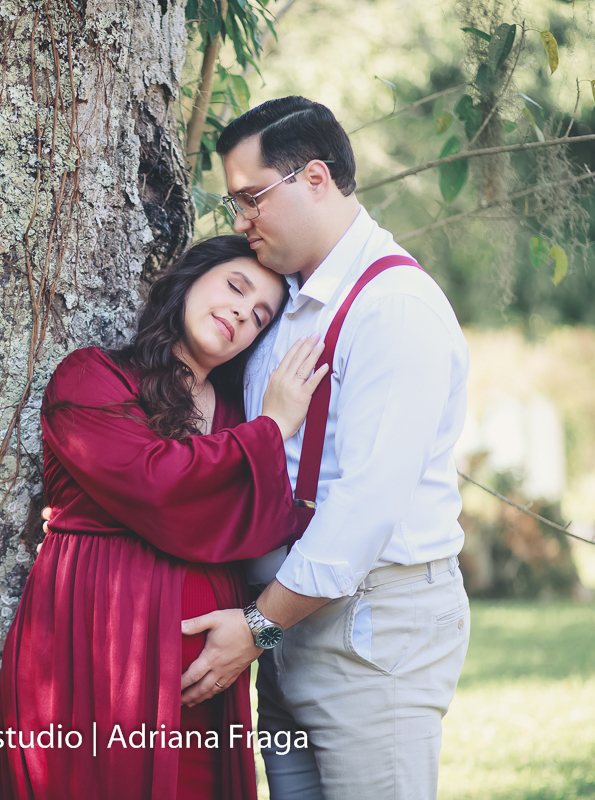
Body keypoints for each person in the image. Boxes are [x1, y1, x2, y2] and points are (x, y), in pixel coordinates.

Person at [177, 97, 471, 800]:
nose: (240, 219)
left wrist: (257, 627)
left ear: (314, 178)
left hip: (371, 626)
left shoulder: (394, 308)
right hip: (287, 621)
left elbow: (365, 507)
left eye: (251, 197)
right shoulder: (284, 301)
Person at [0, 235, 330, 800]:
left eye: (259, 317)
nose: (241, 314)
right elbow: (160, 486)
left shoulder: (236, 415)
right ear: (189, 279)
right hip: (96, 651)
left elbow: (270, 529)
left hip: (206, 678)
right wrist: (272, 429)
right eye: (235, 287)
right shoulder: (91, 377)